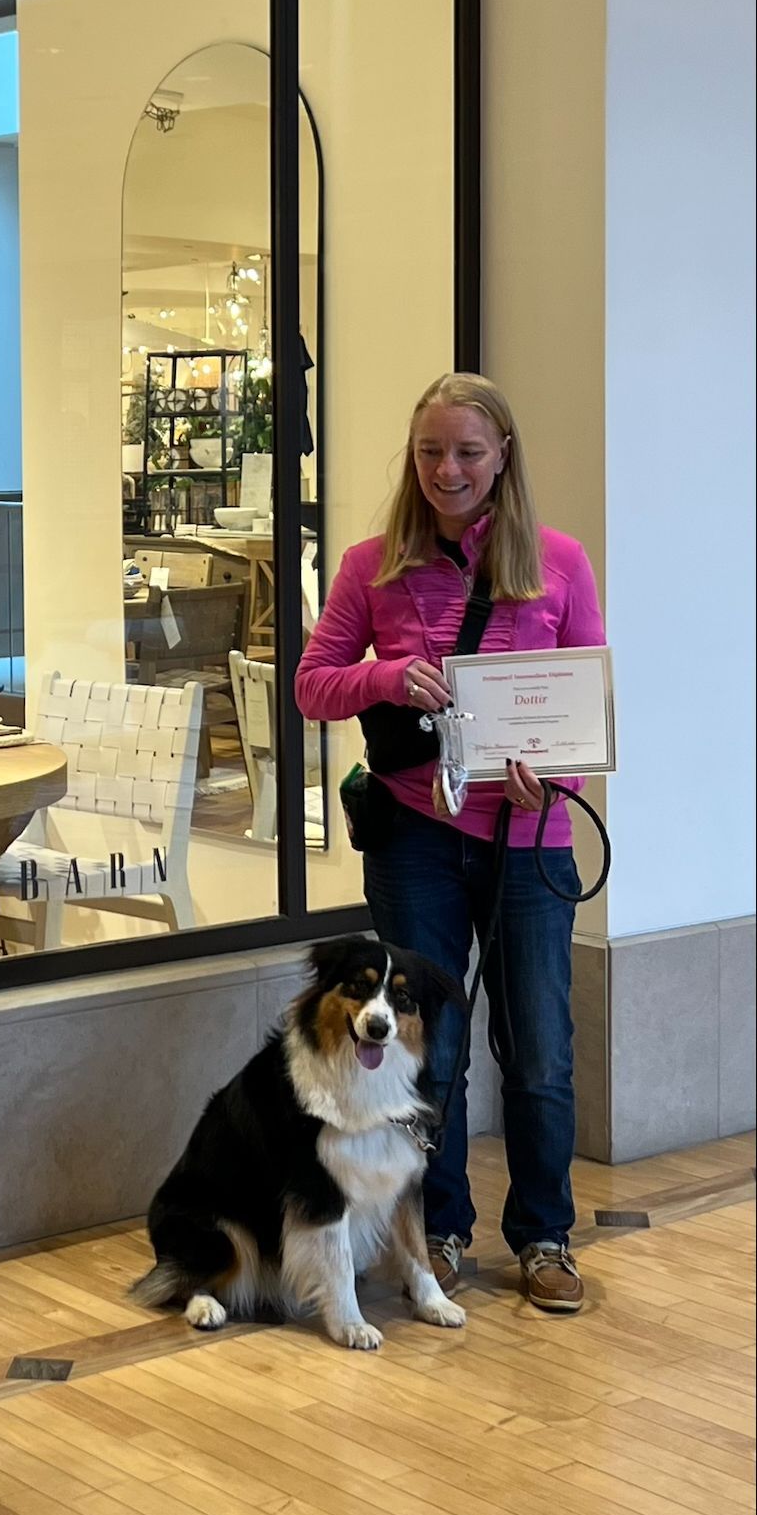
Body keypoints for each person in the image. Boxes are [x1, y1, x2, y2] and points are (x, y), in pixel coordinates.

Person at [296, 372, 605, 1315]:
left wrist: (553, 779)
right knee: (430, 1053)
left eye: (467, 451)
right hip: (414, 841)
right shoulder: (370, 566)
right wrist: (385, 676)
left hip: (528, 838)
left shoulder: (558, 562)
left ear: (501, 455)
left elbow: (584, 711)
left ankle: (543, 1235)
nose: (447, 469)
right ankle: (438, 1230)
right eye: (430, 451)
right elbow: (312, 684)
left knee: (540, 1052)